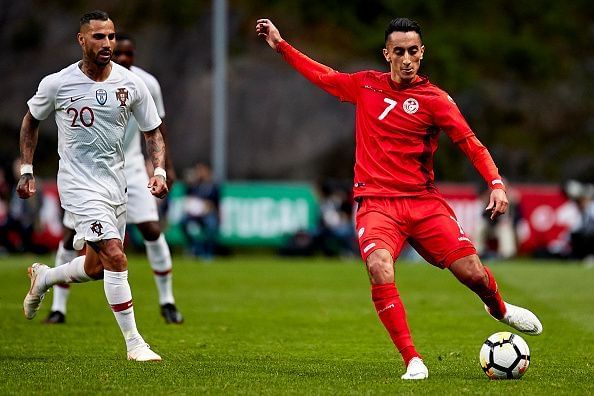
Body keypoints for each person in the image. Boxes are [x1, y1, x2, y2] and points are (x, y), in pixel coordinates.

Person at [256, 17, 542, 380]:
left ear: (422, 53)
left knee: (473, 274)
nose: (406, 59)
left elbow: (470, 143)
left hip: (423, 202)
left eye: (412, 51)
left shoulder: (435, 100)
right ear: (386, 54)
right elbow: (323, 76)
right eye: (399, 52)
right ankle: (413, 359)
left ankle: (499, 309)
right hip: (377, 203)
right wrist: (282, 46)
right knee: (379, 265)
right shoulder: (365, 85)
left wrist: (496, 183)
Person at [19, 10, 168, 361]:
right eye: (99, 37)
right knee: (116, 256)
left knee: (95, 267)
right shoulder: (58, 83)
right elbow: (30, 121)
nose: (107, 44)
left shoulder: (131, 84)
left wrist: (158, 170)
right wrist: (27, 168)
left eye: (111, 36)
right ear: (81, 40)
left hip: (117, 184)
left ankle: (44, 278)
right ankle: (135, 344)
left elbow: (153, 131)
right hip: (78, 184)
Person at [44, 32, 183, 325]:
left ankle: (167, 301)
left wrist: (163, 167)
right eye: (118, 53)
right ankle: (58, 307)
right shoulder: (80, 81)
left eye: (128, 54)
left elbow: (156, 127)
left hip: (130, 166)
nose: (123, 59)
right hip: (88, 175)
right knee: (76, 243)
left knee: (150, 229)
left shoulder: (145, 84)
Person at [181, 162, 219, 259]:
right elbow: (188, 200)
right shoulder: (193, 186)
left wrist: (209, 207)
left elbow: (216, 204)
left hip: (208, 214)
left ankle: (207, 253)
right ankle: (194, 249)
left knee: (211, 225)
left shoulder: (213, 186)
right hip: (194, 215)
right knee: (184, 222)